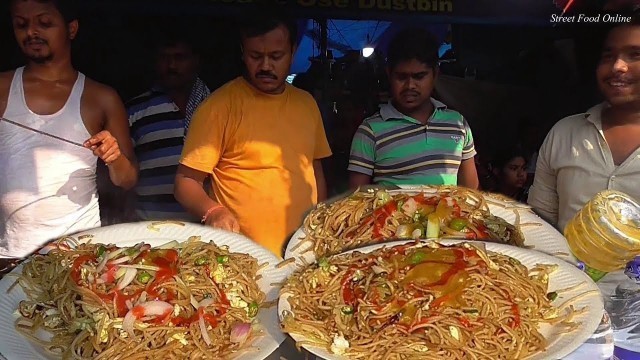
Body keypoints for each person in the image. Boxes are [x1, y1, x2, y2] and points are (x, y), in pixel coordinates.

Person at [174, 8, 332, 256]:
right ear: (243, 53)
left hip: (302, 253)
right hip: (243, 256)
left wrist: (320, 222)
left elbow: (315, 171)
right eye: (256, 56)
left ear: (293, 52)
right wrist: (213, 211)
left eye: (276, 56)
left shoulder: (307, 104)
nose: (265, 66)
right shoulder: (219, 107)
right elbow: (185, 182)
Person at [0, 0, 137, 262]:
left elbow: (127, 180)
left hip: (78, 254)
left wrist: (114, 156)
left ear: (71, 29)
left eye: (44, 23)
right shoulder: (3, 87)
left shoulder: (101, 98)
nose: (31, 32)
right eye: (21, 24)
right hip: (9, 253)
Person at [529, 13, 640, 232]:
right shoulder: (564, 133)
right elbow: (538, 224)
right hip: (560, 266)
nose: (618, 66)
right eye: (608, 56)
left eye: (635, 55)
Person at [348, 28, 479, 190]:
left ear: (435, 74)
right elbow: (356, 200)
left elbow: (470, 192)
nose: (410, 86)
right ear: (389, 74)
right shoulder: (369, 132)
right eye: (401, 77)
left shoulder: (458, 124)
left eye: (419, 76)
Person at [125, 32, 210, 222]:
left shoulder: (215, 107)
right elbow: (124, 172)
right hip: (149, 228)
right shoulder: (136, 110)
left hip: (205, 227)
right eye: (164, 58)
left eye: (179, 58)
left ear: (196, 61)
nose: (171, 66)